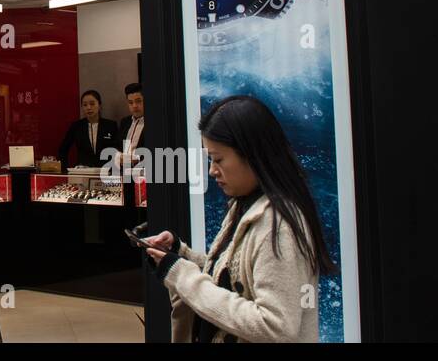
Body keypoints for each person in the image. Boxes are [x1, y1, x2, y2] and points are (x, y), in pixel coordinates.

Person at [144, 95, 336, 343]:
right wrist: (181, 255)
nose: (213, 170)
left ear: (252, 154)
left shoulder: (278, 227)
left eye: (219, 159)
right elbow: (235, 280)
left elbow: (275, 327)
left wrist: (184, 277)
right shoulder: (246, 206)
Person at [57, 89, 119, 169]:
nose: (89, 108)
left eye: (92, 104)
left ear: (99, 105)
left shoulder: (110, 125)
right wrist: (65, 169)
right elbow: (63, 149)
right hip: (84, 172)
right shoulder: (76, 126)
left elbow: (117, 149)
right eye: (85, 105)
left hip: (106, 171)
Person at [117, 82, 148, 168]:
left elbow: (155, 150)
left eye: (138, 101)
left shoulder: (153, 123)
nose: (134, 106)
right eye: (130, 102)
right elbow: (118, 146)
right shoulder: (125, 122)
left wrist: (136, 158)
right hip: (125, 170)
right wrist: (119, 155)